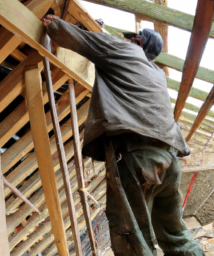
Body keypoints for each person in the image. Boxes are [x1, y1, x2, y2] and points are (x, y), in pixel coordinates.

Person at [41, 15, 205, 256]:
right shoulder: (157, 75)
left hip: (139, 160)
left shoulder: (124, 51)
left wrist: (54, 24)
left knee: (133, 237)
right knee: (176, 234)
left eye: (127, 38)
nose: (122, 40)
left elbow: (81, 40)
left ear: (137, 43)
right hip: (170, 163)